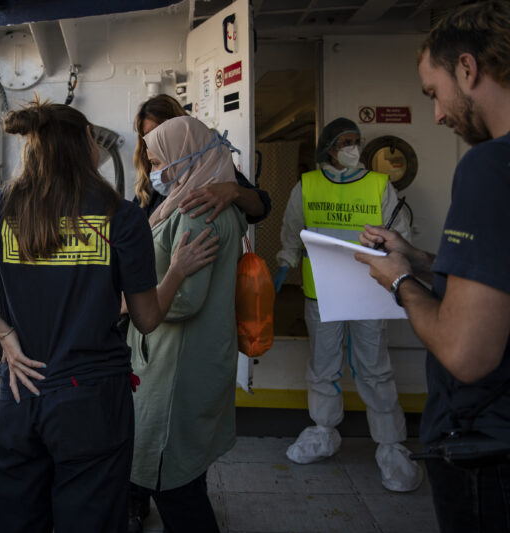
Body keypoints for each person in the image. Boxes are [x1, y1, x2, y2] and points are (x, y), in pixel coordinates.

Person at [0, 100, 219, 533]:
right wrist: (176, 272)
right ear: (84, 146)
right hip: (92, 401)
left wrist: (3, 332)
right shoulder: (122, 216)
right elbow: (147, 318)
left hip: (20, 391)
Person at [355, 2, 510, 530]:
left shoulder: (489, 166)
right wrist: (419, 258)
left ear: (467, 69)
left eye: (433, 93)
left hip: (487, 448)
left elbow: (466, 354)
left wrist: (398, 280)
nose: (439, 115)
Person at [274, 117, 423, 492]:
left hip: (369, 290)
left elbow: (401, 237)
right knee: (323, 366)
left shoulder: (379, 185)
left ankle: (391, 447)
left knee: (374, 367)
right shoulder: (306, 186)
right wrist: (276, 277)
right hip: (320, 293)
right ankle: (323, 432)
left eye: (356, 140)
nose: (352, 147)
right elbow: (291, 238)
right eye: (345, 141)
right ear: (328, 147)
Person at [127, 115, 245, 533]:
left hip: (177, 364)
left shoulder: (198, 212)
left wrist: (130, 302)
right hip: (185, 357)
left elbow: (185, 299)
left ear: (185, 155)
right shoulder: (193, 199)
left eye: (161, 159)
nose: (157, 170)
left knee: (173, 482)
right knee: (183, 477)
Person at [133, 94, 271, 223]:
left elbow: (260, 207)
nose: (156, 140)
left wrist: (234, 191)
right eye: (149, 135)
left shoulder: (208, 170)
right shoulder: (149, 183)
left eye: (160, 132)